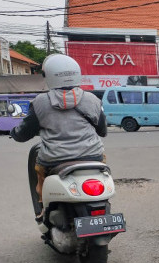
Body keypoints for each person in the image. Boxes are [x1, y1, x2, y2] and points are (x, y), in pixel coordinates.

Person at [10, 54, 107, 221]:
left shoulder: (40, 102)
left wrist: (15, 133)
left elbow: (24, 132)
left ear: (49, 76)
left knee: (39, 171)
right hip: (93, 156)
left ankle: (43, 207)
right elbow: (103, 131)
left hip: (54, 159)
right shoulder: (92, 99)